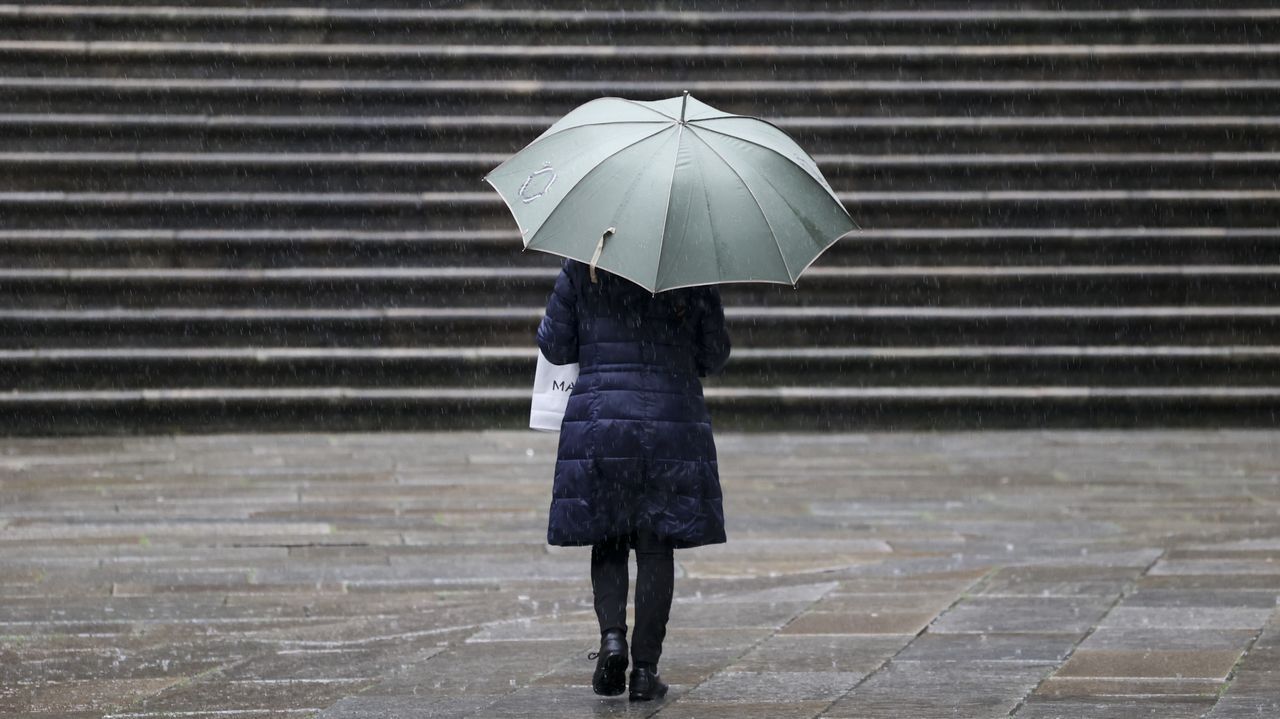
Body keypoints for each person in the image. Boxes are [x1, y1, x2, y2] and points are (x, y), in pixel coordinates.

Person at [536, 257, 732, 701]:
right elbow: (714, 354)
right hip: (671, 420)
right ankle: (645, 670)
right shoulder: (692, 268)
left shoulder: (583, 264)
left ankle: (611, 639)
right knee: (656, 544)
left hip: (602, 418)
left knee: (606, 534)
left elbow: (554, 345)